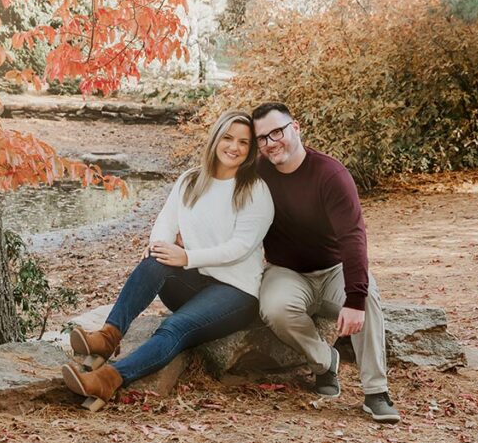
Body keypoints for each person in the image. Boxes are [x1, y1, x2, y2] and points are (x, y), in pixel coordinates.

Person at [63, 110, 274, 411]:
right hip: (194, 282)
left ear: (251, 148)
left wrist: (186, 256)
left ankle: (109, 379)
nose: (234, 147)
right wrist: (158, 246)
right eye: (228, 138)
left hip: (235, 293)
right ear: (215, 139)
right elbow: (166, 221)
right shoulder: (191, 180)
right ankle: (108, 336)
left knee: (174, 327)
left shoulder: (255, 190)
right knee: (155, 261)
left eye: (243, 142)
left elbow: (239, 248)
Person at [251, 102, 400, 424]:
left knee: (369, 300)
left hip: (334, 269)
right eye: (261, 138)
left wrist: (356, 299)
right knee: (274, 308)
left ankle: (376, 391)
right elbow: (217, 188)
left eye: (277, 132)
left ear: (296, 127)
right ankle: (325, 362)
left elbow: (353, 237)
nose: (270, 143)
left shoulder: (330, 174)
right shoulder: (259, 173)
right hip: (286, 271)